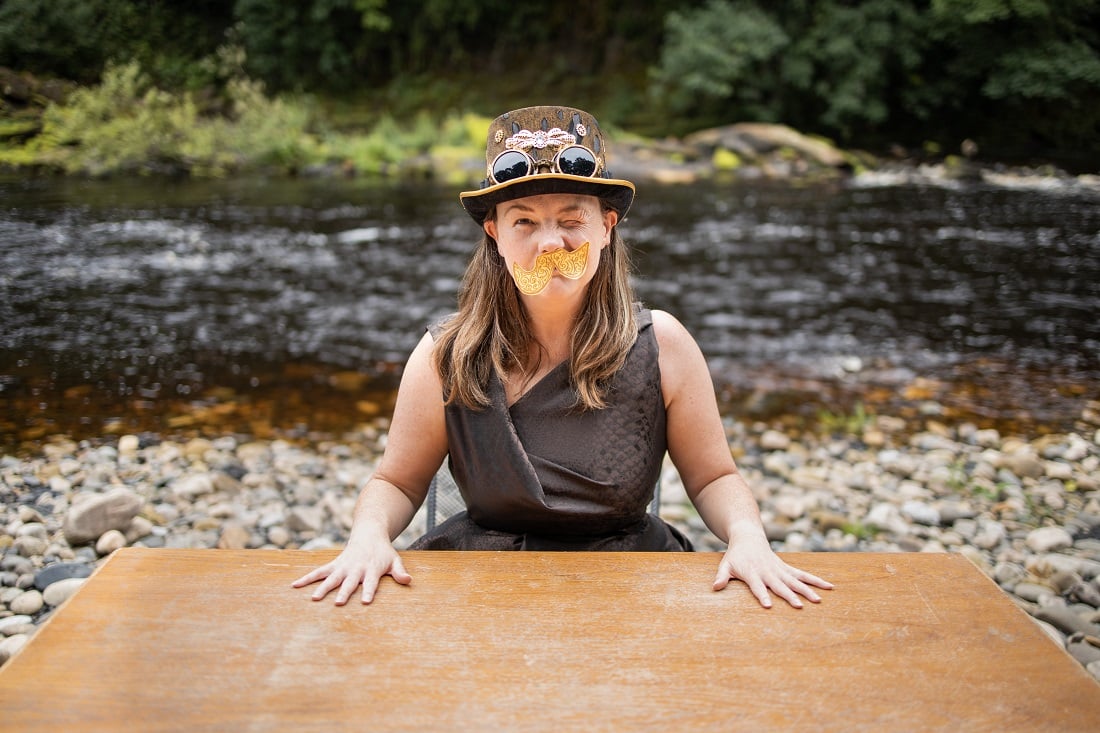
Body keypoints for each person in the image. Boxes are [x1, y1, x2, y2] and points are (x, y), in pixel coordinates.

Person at [293, 105, 832, 608]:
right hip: (484, 586)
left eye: (571, 219)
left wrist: (748, 539)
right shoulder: (445, 355)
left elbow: (714, 477)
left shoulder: (663, 343)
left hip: (631, 586)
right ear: (495, 235)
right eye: (523, 221)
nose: (549, 241)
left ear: (605, 227)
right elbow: (397, 482)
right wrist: (366, 540)